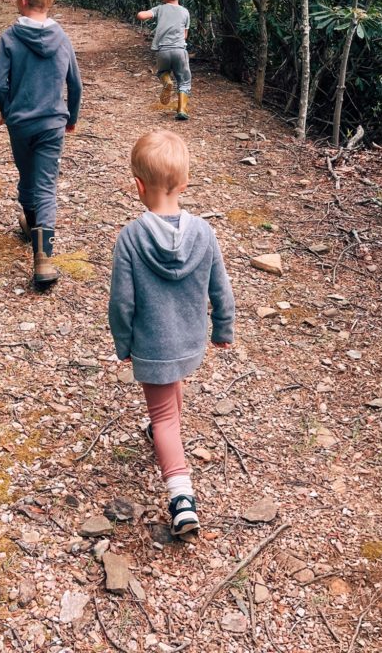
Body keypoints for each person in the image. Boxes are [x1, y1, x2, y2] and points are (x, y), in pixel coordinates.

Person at [108, 130, 235, 536]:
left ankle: (182, 498)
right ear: (183, 184)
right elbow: (221, 287)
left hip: (153, 342)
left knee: (162, 417)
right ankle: (165, 434)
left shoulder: (131, 237)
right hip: (189, 340)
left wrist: (123, 342)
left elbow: (122, 302)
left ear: (138, 186)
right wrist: (223, 327)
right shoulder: (204, 233)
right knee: (170, 393)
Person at [0, 0, 82, 286]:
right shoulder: (62, 39)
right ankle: (43, 259)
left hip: (20, 124)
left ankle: (30, 223)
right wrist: (70, 116)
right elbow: (75, 84)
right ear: (51, 1)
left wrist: (6, 110)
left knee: (26, 174)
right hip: (52, 125)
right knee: (45, 184)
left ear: (20, 0)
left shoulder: (10, 38)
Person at [136, 0, 191, 121]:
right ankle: (182, 110)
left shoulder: (159, 9)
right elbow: (185, 35)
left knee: (162, 72)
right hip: (180, 50)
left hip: (163, 51)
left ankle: (167, 81)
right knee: (184, 80)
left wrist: (141, 13)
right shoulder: (185, 12)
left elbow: (142, 15)